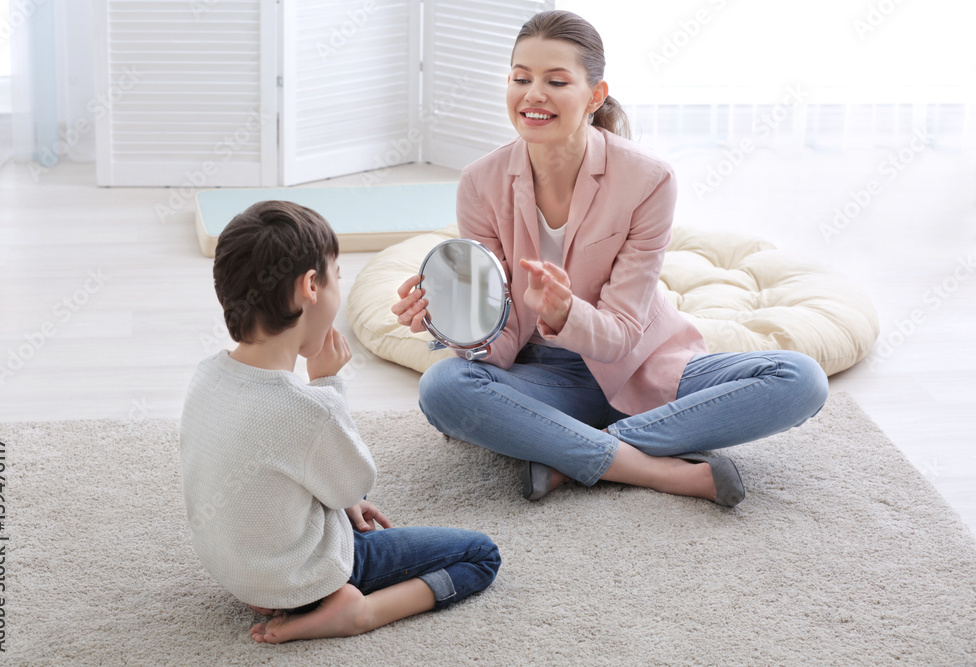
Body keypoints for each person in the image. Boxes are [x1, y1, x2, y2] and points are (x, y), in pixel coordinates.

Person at [392, 10, 828, 506]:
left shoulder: (648, 179)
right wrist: (451, 322)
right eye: (520, 79)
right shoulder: (480, 181)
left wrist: (563, 313)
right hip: (543, 376)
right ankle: (658, 469)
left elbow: (622, 333)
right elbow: (501, 336)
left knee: (800, 380)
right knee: (444, 386)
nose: (533, 94)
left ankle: (566, 453)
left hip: (644, 364)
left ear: (595, 96)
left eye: (556, 81)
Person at [180, 201, 500, 644]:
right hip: (303, 578)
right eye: (338, 276)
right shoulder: (308, 408)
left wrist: (347, 507)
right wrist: (329, 385)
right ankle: (357, 612)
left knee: (315, 470)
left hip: (238, 573)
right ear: (311, 286)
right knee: (481, 555)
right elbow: (355, 481)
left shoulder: (207, 375)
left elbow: (310, 479)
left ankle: (282, 592)